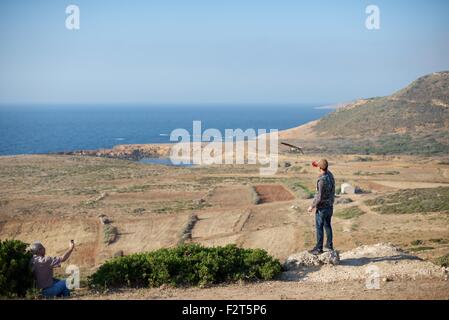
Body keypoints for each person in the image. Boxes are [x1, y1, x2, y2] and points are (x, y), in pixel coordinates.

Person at [307, 159, 335, 255]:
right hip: (330, 206)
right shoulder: (330, 175)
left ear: (319, 168)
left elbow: (319, 197)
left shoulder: (321, 180)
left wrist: (312, 206)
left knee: (319, 227)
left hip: (322, 208)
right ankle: (329, 245)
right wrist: (318, 165)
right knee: (327, 225)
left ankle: (319, 248)